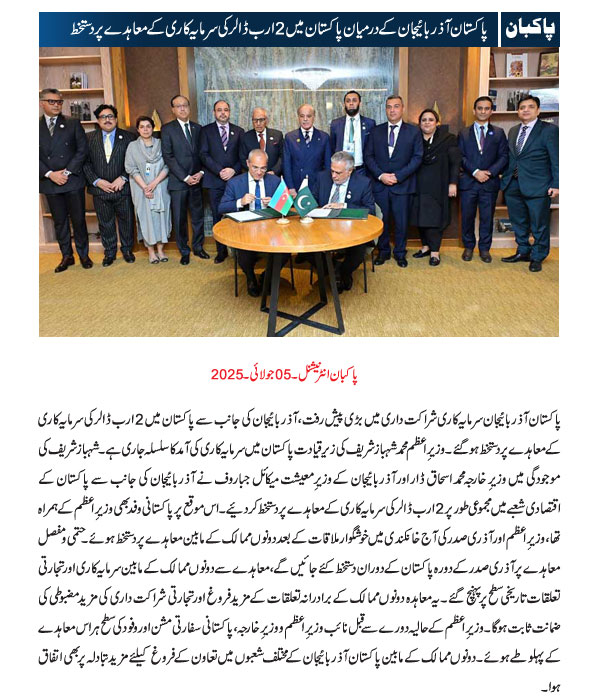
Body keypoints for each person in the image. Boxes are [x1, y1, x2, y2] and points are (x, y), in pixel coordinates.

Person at [501, 95, 559, 272]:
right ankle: (523, 251)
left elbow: (557, 159)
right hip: (513, 184)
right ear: (518, 111)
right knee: (518, 222)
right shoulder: (513, 131)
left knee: (539, 224)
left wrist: (557, 184)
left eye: (530, 107)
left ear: (538, 111)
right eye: (522, 107)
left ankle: (538, 256)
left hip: (538, 185)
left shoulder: (549, 130)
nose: (525, 110)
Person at [364, 95, 423, 267]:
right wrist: (381, 175)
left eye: (396, 106)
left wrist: (398, 176)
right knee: (381, 220)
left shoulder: (413, 132)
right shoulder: (376, 131)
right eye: (389, 107)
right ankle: (383, 252)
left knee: (401, 222)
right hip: (380, 185)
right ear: (385, 109)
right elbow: (368, 156)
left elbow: (417, 158)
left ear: (402, 108)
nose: (392, 110)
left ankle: (400, 253)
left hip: (403, 185)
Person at [39, 88, 93, 272]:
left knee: (78, 220)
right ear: (42, 103)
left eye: (59, 102)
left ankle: (84, 255)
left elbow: (82, 150)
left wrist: (67, 172)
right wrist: (50, 174)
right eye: (52, 101)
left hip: (72, 180)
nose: (56, 105)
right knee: (60, 221)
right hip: (49, 181)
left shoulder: (72, 123)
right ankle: (67, 256)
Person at [218, 150, 282, 297]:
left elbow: (287, 207)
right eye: (255, 167)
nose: (259, 172)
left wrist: (275, 203)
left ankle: (267, 275)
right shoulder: (235, 183)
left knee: (284, 252)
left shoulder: (275, 181)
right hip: (246, 229)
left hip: (271, 229)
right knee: (244, 253)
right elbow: (221, 208)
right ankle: (251, 278)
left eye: (263, 168)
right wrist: (240, 202)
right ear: (247, 164)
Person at [311, 151, 376, 292]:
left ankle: (343, 273)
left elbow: (371, 211)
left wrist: (344, 206)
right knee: (306, 249)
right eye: (332, 171)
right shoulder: (322, 177)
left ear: (350, 171)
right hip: (323, 228)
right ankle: (334, 270)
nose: (333, 176)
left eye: (338, 173)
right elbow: (312, 200)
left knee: (358, 250)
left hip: (351, 230)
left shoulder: (363, 183)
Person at [83, 104, 136, 266]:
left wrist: (124, 177)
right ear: (98, 120)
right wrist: (97, 181)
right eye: (103, 117)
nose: (107, 120)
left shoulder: (129, 137)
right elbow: (85, 163)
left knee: (127, 221)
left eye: (110, 116)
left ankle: (127, 250)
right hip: (100, 190)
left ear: (116, 118)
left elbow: (135, 161)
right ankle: (110, 252)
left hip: (123, 188)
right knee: (105, 223)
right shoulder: (88, 138)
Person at [458, 96, 508, 263]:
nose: (483, 111)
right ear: (474, 110)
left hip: (489, 183)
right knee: (467, 217)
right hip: (469, 182)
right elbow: (460, 157)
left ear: (491, 111)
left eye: (487, 108)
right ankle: (469, 247)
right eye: (480, 108)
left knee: (487, 218)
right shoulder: (463, 133)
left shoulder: (499, 133)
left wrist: (489, 172)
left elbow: (503, 156)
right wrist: (475, 172)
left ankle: (485, 249)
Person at [160, 95, 207, 265]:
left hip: (197, 181)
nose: (182, 108)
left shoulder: (198, 128)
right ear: (173, 110)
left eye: (185, 105)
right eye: (178, 106)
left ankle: (198, 247)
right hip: (179, 182)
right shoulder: (167, 129)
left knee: (198, 217)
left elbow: (203, 153)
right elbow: (168, 156)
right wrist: (185, 177)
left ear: (189, 107)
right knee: (179, 219)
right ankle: (184, 251)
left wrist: (201, 172)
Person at [410, 109, 460, 266]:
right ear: (419, 123)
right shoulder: (414, 138)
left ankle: (435, 252)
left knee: (435, 219)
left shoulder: (448, 139)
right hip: (418, 185)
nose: (427, 122)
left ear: (437, 123)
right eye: (424, 120)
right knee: (420, 217)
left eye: (431, 120)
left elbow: (455, 162)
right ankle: (425, 247)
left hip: (439, 185)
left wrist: (453, 183)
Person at [200, 100, 245, 263]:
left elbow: (243, 156)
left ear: (229, 112)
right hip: (214, 181)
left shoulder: (239, 131)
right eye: (219, 110)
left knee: (237, 215)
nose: (223, 113)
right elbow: (203, 155)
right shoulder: (206, 131)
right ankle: (221, 251)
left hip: (235, 180)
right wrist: (219, 170)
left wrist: (233, 170)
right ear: (214, 113)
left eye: (226, 110)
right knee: (217, 215)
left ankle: (240, 251)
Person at [125, 116, 171, 264]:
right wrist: (145, 187)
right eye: (142, 127)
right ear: (138, 130)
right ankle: (151, 252)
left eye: (148, 126)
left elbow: (168, 165)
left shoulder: (161, 144)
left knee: (162, 217)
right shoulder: (132, 147)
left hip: (161, 186)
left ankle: (160, 250)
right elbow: (130, 168)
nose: (145, 129)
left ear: (153, 128)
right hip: (140, 188)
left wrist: (154, 183)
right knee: (146, 218)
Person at [283, 104, 331, 196]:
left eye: (308, 116)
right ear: (298, 117)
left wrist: (326, 186)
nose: (305, 119)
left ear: (314, 117)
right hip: (297, 187)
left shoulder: (324, 137)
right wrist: (290, 187)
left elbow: (328, 165)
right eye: (302, 116)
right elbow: (286, 165)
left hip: (317, 186)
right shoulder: (290, 137)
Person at [329, 90, 375, 174]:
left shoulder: (370, 124)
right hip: (341, 171)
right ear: (344, 104)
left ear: (360, 103)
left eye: (354, 100)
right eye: (348, 101)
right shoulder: (335, 124)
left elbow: (372, 149)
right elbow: (332, 147)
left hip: (362, 170)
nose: (351, 103)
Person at [239, 108, 283, 176]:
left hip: (273, 176)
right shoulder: (245, 137)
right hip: (253, 176)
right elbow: (243, 159)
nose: (258, 123)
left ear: (266, 120)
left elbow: (282, 156)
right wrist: (256, 171)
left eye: (261, 120)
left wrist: (274, 171)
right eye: (255, 120)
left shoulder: (277, 135)